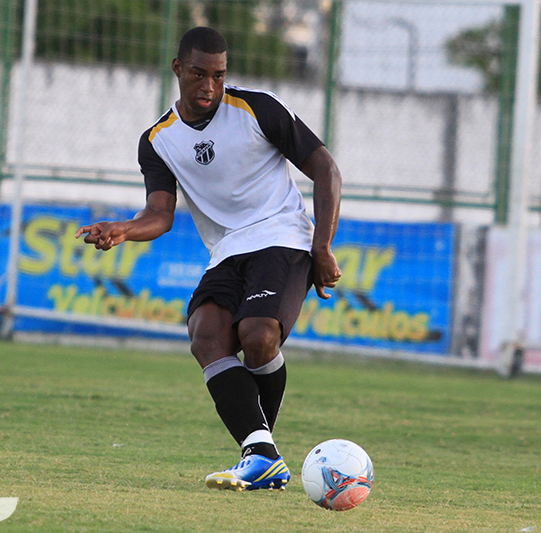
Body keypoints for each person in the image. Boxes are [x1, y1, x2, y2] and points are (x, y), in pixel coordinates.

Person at [75, 26, 342, 492]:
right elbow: (160, 214)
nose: (209, 87)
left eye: (218, 76)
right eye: (199, 74)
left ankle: (261, 454)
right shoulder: (158, 140)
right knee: (206, 334)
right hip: (226, 252)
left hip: (282, 237)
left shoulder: (257, 108)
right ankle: (263, 455)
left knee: (258, 335)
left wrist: (321, 245)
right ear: (178, 69)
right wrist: (122, 230)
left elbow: (325, 167)